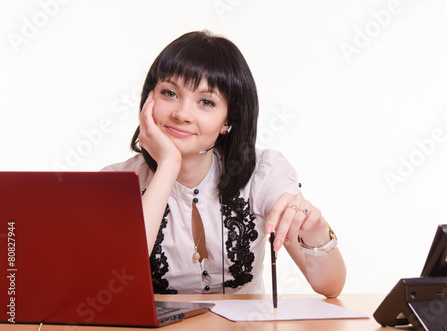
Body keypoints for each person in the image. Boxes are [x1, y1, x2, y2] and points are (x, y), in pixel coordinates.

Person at [102, 30, 346, 297]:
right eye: (169, 93)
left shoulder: (263, 172)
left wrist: (316, 230)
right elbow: (111, 282)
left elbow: (330, 287)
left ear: (227, 121)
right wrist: (169, 165)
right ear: (149, 99)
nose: (181, 114)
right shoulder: (116, 183)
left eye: (206, 102)